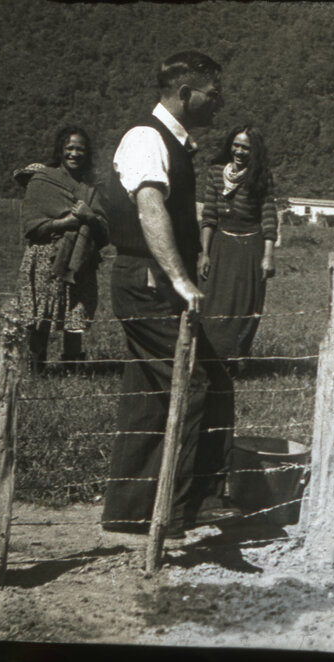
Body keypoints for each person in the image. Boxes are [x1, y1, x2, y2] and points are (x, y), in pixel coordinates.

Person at [101, 51, 239, 536]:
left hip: (149, 279)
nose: (218, 103)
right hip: (148, 281)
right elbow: (149, 207)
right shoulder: (146, 137)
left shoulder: (175, 142)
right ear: (185, 93)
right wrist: (179, 278)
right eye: (212, 95)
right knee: (199, 383)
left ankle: (133, 510)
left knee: (149, 388)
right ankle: (186, 506)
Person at [15, 126, 108, 374]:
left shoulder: (92, 186)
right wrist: (64, 223)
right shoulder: (42, 180)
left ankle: (72, 368)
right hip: (46, 256)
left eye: (80, 149)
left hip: (80, 259)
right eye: (70, 148)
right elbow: (32, 225)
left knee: (75, 312)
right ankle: (36, 368)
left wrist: (90, 217)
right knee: (41, 314)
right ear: (61, 151)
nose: (75, 154)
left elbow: (105, 229)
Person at [197, 125, 278, 365]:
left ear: (255, 151)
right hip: (220, 245)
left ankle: (233, 359)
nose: (239, 151)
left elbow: (268, 217)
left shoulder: (261, 176)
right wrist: (205, 253)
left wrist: (268, 255)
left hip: (248, 248)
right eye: (236, 145)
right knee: (211, 300)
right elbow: (209, 215)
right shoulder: (214, 173)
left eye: (246, 147)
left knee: (243, 302)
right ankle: (208, 358)